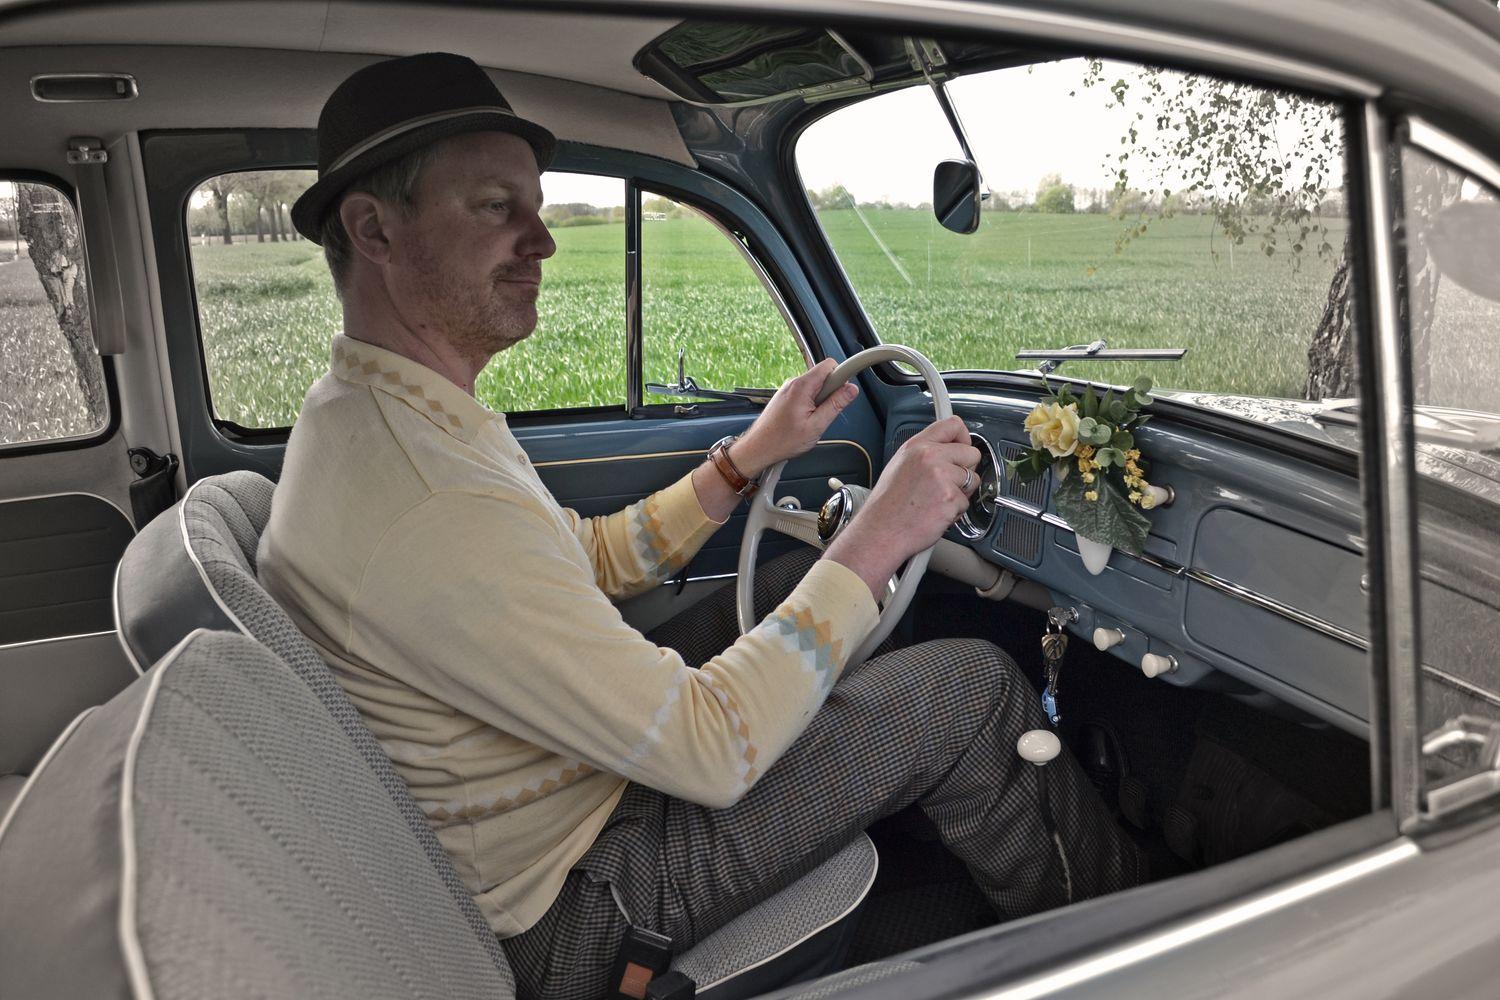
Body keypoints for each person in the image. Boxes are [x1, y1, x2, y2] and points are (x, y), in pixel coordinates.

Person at [262, 52, 1141, 1000]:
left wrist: (744, 460)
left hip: (554, 810)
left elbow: (588, 560)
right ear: (373, 230)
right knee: (965, 692)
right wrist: (877, 534)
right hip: (573, 906)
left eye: (535, 205)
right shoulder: (429, 500)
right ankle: (1151, 954)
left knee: (768, 594)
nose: (542, 240)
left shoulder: (388, 417)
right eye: (494, 208)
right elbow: (710, 748)